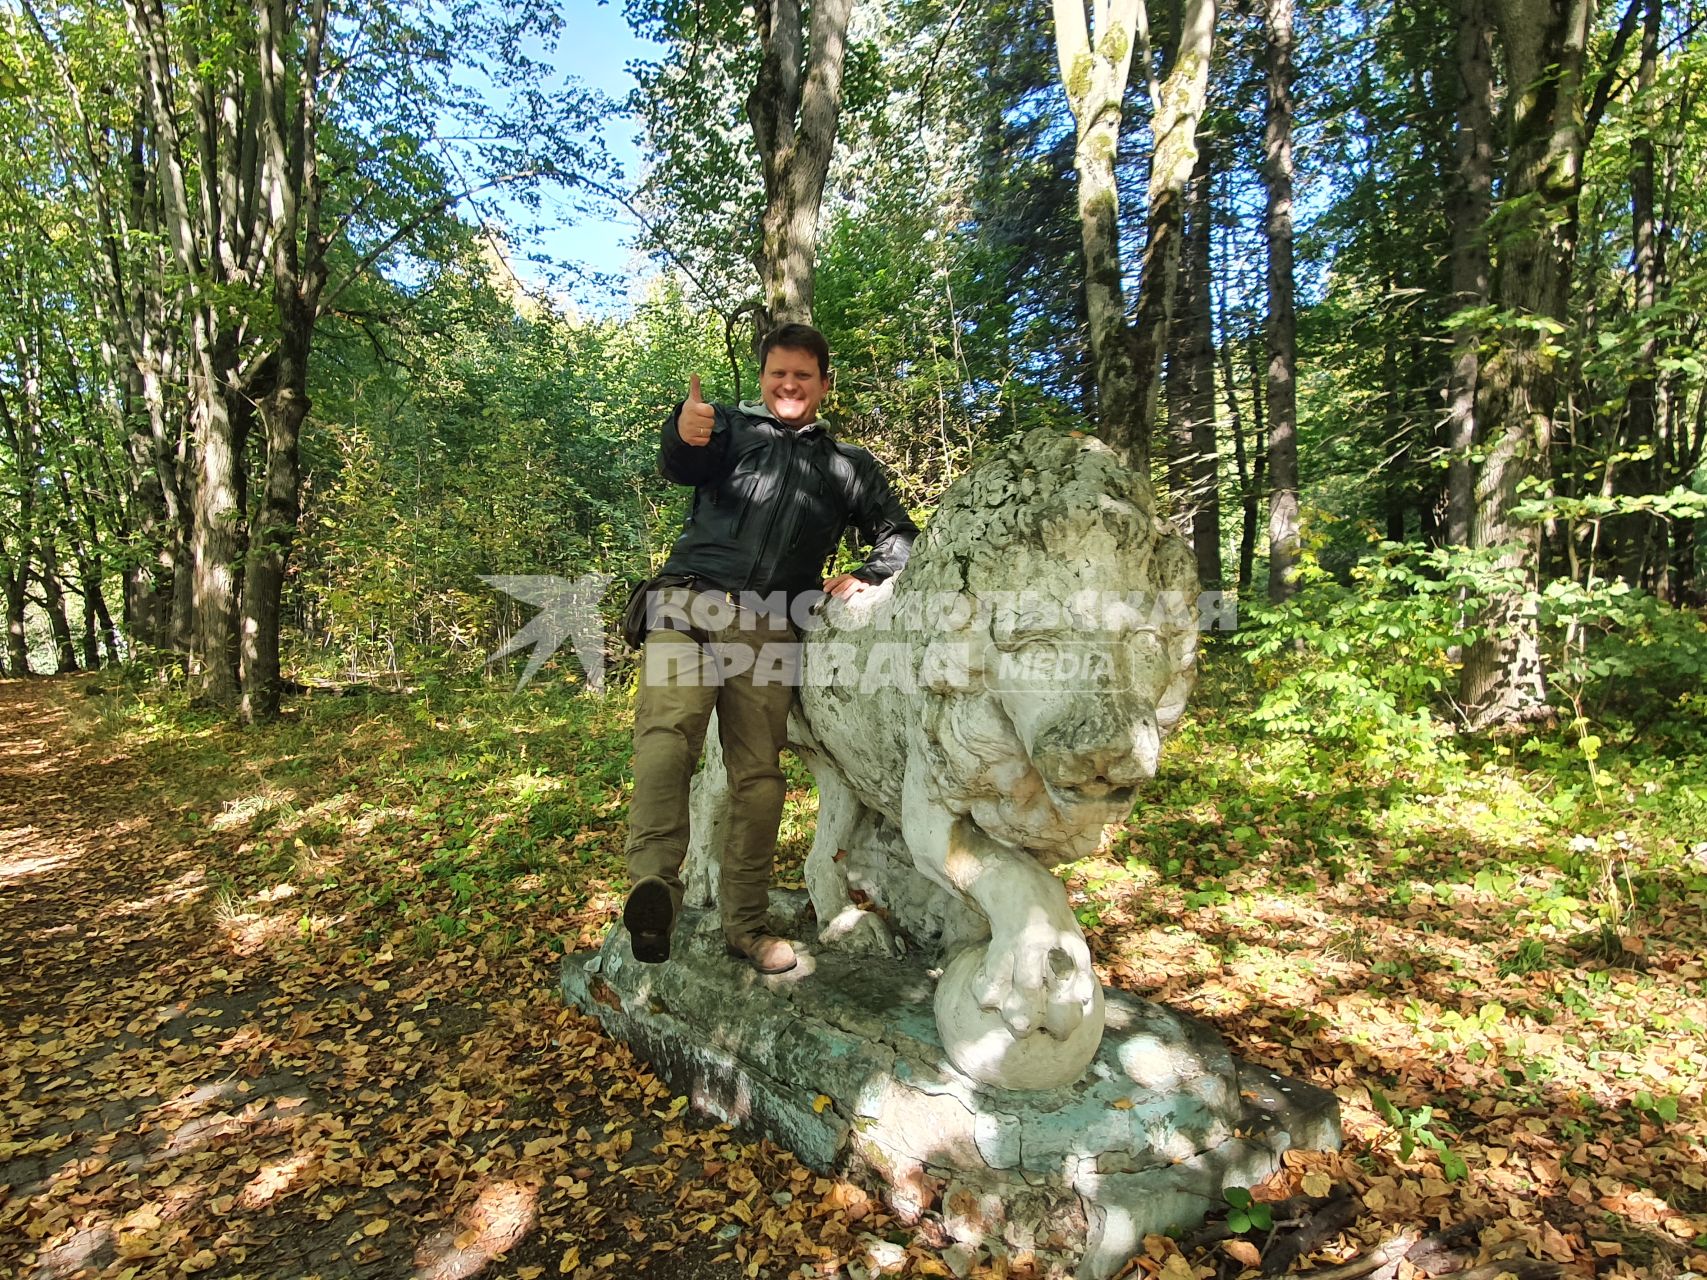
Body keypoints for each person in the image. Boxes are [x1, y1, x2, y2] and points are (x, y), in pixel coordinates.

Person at [622, 324, 917, 974]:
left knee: (757, 780)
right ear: (763, 378)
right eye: (777, 373)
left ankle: (745, 927)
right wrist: (683, 429)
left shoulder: (847, 465)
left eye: (802, 376)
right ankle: (654, 891)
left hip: (770, 624)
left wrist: (867, 575)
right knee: (668, 735)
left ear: (822, 385)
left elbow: (898, 534)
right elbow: (680, 461)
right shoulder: (726, 430)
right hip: (689, 602)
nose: (788, 385)